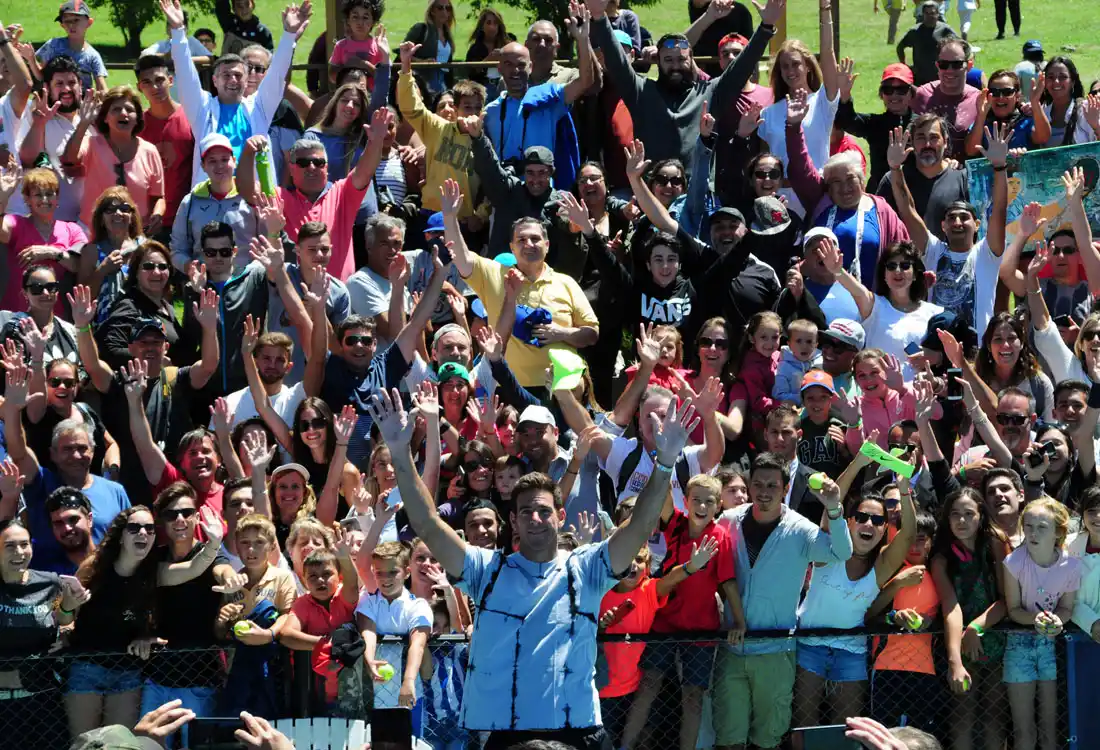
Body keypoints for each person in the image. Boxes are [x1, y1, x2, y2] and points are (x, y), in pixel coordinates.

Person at [368, 380, 699, 747]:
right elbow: (428, 524)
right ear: (513, 521)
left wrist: (666, 461)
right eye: (526, 511)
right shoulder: (486, 571)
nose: (535, 519)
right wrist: (399, 452)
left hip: (576, 735)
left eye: (544, 511)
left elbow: (638, 526)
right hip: (506, 737)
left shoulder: (587, 568)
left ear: (560, 515)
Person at [710, 453, 852, 750]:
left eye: (772, 486)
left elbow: (841, 552)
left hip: (776, 653)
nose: (764, 491)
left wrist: (834, 508)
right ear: (748, 486)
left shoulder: (800, 528)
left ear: (785, 487)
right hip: (731, 649)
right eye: (758, 484)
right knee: (728, 741)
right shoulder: (728, 520)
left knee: (768, 741)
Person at [620, 475, 744, 750]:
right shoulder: (674, 523)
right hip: (664, 622)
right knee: (649, 684)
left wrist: (740, 621)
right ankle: (625, 747)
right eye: (695, 499)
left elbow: (728, 583)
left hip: (701, 629)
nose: (701, 506)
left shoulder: (720, 537)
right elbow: (662, 493)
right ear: (685, 501)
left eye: (709, 501)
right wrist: (665, 455)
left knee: (693, 697)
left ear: (718, 506)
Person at [587, 0, 779, 177]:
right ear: (659, 62)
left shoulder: (710, 92)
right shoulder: (641, 91)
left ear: (692, 60)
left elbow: (740, 68)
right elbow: (617, 62)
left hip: (697, 199)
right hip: (653, 197)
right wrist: (599, 17)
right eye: (668, 60)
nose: (675, 66)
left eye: (682, 59)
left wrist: (765, 28)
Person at [72, 280, 219, 506]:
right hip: (127, 486)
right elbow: (92, 365)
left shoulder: (175, 378)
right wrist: (83, 326)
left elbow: (209, 365)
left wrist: (209, 328)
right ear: (130, 347)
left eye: (157, 342)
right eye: (143, 342)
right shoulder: (119, 380)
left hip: (172, 486)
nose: (150, 347)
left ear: (166, 347)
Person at [237, 107, 393, 282]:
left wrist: (376, 140)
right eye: (304, 162)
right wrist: (248, 152)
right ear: (291, 168)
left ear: (326, 168)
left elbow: (365, 171)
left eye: (318, 162)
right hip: (293, 295)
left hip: (337, 297)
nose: (311, 167)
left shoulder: (342, 193)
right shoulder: (280, 197)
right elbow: (247, 190)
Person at [162, 0, 310, 184]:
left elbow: (277, 76)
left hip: (254, 200)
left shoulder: (258, 107)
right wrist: (177, 32)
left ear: (247, 80)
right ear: (214, 80)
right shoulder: (202, 109)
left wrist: (289, 36)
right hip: (212, 200)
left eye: (238, 75)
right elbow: (185, 74)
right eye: (226, 75)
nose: (233, 80)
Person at [141, 483, 243, 741]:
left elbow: (223, 570)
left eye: (187, 512)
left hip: (200, 679)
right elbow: (188, 570)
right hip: (157, 676)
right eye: (171, 514)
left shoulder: (211, 553)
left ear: (197, 517)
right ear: (162, 521)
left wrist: (231, 579)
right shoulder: (155, 558)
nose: (179, 519)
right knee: (149, 747)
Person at [888, 122, 1008, 334]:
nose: (958, 223)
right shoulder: (933, 251)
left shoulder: (987, 253)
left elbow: (998, 208)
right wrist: (895, 168)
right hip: (936, 352)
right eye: (951, 218)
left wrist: (999, 167)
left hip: (977, 353)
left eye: (964, 217)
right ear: (942, 226)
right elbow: (907, 209)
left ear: (977, 224)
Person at [787, 98, 910, 289]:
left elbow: (903, 251)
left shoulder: (882, 211)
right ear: (828, 187)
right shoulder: (822, 201)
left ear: (862, 181)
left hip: (870, 303)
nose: (844, 188)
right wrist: (794, 128)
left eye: (850, 179)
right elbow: (801, 167)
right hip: (821, 302)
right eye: (836, 182)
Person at [0, 518, 89, 749]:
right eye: (10, 546)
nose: (19, 552)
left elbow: (64, 622)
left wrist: (67, 623)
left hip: (43, 703)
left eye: (24, 544)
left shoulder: (50, 583)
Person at [1003, 498, 1080, 750]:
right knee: (1024, 731)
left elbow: (1066, 608)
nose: (1033, 532)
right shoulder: (1014, 562)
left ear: (1059, 531)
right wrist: (1034, 619)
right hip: (1018, 646)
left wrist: (1058, 619)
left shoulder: (1071, 566)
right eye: (1029, 526)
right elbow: (1014, 609)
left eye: (1042, 527)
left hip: (1050, 647)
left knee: (1049, 728)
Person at [479, 7, 594, 170]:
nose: (515, 71)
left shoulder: (550, 103)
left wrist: (582, 39)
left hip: (543, 186)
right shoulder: (490, 112)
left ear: (530, 67)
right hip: (504, 188)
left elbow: (585, 81)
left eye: (521, 65)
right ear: (499, 69)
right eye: (508, 65)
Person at [823, 236, 944, 380]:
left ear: (915, 274)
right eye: (891, 266)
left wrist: (937, 357)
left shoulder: (935, 313)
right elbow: (855, 289)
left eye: (905, 265)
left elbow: (957, 358)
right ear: (884, 275)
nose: (898, 271)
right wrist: (837, 271)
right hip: (878, 397)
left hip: (921, 397)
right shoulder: (874, 306)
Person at [397, 41, 485, 221]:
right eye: (467, 107)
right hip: (432, 213)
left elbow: (491, 185)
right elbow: (410, 107)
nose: (472, 112)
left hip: (465, 219)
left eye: (477, 108)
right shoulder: (437, 127)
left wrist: (481, 216)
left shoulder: (484, 141)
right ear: (456, 109)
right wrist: (406, 67)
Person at [61, 85, 166, 234]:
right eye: (116, 110)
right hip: (93, 234)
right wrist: (83, 124)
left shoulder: (150, 151)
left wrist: (158, 214)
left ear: (137, 118)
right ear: (105, 118)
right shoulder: (91, 144)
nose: (124, 114)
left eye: (130, 110)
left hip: (135, 236)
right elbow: (69, 159)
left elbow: (158, 197)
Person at [754, 0, 839, 179]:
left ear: (808, 66)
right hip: (780, 198)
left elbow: (828, 51)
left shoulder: (823, 101)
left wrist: (825, 10)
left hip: (817, 195)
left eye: (795, 64)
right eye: (785, 66)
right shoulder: (767, 114)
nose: (790, 71)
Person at [357, 541, 432, 732]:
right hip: (372, 697)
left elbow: (418, 645)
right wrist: (370, 660)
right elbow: (368, 632)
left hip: (409, 696)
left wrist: (408, 682)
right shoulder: (367, 600)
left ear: (406, 572)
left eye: (392, 572)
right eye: (379, 572)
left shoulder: (419, 606)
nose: (385, 578)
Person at [0, 166, 86, 316]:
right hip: (17, 315)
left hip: (57, 317)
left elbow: (80, 266)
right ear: (27, 199)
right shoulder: (17, 224)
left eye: (49, 194)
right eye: (38, 195)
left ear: (57, 198)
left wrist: (51, 253)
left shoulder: (72, 229)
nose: (45, 200)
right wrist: (2, 199)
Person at [170, 134, 262, 273]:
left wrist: (253, 274)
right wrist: (191, 268)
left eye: (225, 159)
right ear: (203, 166)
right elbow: (177, 250)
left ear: (234, 161)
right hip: (205, 285)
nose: (219, 166)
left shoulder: (252, 197)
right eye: (212, 161)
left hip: (247, 283)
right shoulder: (189, 202)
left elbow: (267, 242)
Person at [18, 56, 86, 223]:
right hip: (52, 224)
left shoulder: (92, 119)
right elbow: (27, 160)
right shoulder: (39, 119)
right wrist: (39, 124)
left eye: (72, 82)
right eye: (59, 84)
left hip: (90, 223)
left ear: (81, 85)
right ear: (47, 88)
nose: (67, 89)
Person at [836, 61, 917, 192]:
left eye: (901, 90)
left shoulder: (921, 124)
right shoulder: (874, 123)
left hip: (914, 193)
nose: (894, 95)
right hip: (881, 194)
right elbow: (846, 122)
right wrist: (845, 95)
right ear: (881, 94)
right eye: (888, 90)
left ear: (911, 93)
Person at [910, 37, 981, 161]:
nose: (949, 70)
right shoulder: (922, 95)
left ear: (969, 65)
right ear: (937, 65)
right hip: (928, 172)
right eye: (944, 65)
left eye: (956, 64)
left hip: (966, 173)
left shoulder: (978, 99)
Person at [964, 70, 1051, 156]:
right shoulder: (982, 122)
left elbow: (1043, 138)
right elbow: (971, 151)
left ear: (1017, 96)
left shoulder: (1026, 119)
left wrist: (1035, 103)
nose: (1000, 97)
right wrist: (981, 116)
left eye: (1007, 92)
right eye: (995, 92)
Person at [35, 0, 107, 93]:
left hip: (81, 104)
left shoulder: (92, 56)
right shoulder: (53, 45)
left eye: (76, 20)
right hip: (54, 102)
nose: (71, 25)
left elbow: (102, 87)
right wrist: (30, 58)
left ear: (89, 22)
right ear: (62, 25)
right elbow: (41, 76)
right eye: (67, 21)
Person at [1039, 56, 1098, 147]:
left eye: (1063, 77)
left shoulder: (1086, 110)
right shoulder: (1041, 113)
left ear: (1072, 82)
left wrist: (1096, 126)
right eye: (1050, 77)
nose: (1056, 81)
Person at [403, 0, 459, 97]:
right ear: (432, 11)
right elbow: (403, 52)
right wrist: (421, 61)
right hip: (423, 81)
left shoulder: (447, 34)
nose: (445, 11)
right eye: (440, 8)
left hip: (443, 83)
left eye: (448, 8)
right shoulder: (421, 29)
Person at [895, 2, 955, 87]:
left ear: (938, 14)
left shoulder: (945, 30)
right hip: (919, 78)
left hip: (940, 77)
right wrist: (904, 65)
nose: (929, 16)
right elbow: (900, 47)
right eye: (926, 13)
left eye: (932, 13)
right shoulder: (915, 31)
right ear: (922, 14)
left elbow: (962, 46)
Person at [328, 0, 384, 86]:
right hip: (347, 95)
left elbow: (383, 77)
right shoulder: (341, 46)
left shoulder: (379, 46)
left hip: (372, 97)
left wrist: (365, 65)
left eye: (365, 18)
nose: (360, 23)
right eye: (355, 17)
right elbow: (332, 76)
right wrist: (347, 66)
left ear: (374, 21)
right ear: (348, 20)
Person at [465, 8, 514, 96]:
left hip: (504, 86)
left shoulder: (508, 45)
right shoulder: (475, 48)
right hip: (483, 88)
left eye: (495, 23)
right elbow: (471, 72)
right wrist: (489, 59)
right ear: (482, 26)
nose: (492, 27)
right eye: (488, 23)